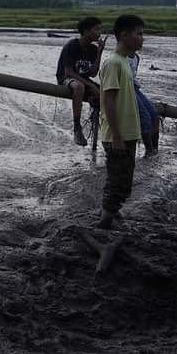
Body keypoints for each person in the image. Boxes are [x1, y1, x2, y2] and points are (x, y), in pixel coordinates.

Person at [98, 15, 145, 229]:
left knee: (119, 179)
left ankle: (109, 213)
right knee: (120, 182)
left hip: (126, 133)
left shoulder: (125, 62)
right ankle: (105, 222)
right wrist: (117, 136)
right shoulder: (113, 63)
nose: (142, 38)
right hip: (118, 136)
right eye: (139, 33)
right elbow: (108, 101)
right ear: (124, 35)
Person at [55, 17, 105, 146]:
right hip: (66, 78)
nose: (100, 33)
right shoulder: (72, 45)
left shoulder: (93, 49)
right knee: (79, 87)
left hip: (83, 79)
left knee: (105, 93)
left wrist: (100, 52)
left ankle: (104, 132)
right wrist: (91, 87)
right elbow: (68, 72)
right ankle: (77, 127)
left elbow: (93, 73)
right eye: (97, 29)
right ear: (86, 31)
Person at [127, 51, 161, 157]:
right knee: (145, 116)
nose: (141, 40)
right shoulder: (121, 58)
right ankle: (149, 149)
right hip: (126, 88)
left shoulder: (136, 57)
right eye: (138, 35)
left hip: (135, 87)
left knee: (154, 115)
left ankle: (154, 148)